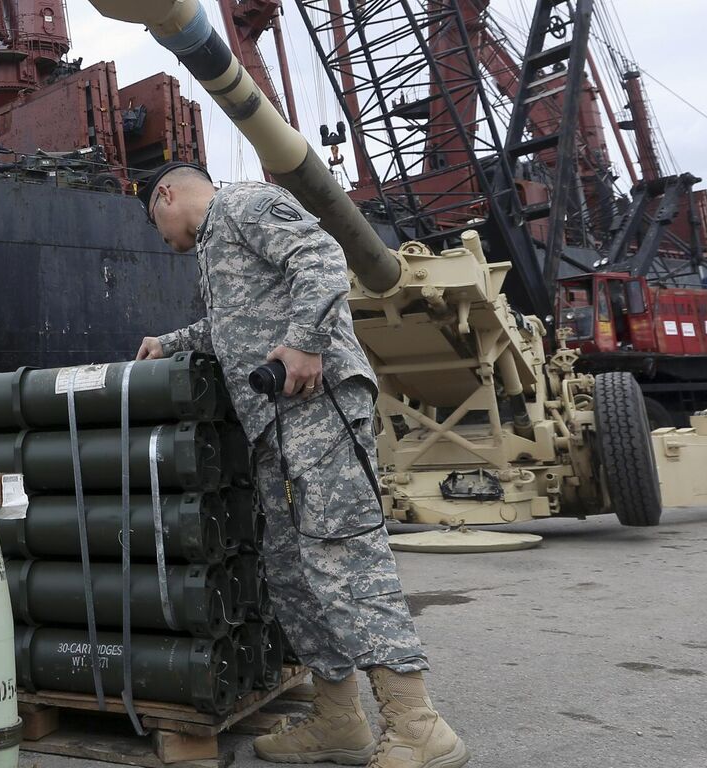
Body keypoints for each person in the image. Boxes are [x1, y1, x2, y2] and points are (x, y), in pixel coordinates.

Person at [133, 163, 471, 768]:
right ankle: (340, 719)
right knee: (290, 571)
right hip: (276, 426)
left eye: (155, 222)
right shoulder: (216, 246)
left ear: (165, 195)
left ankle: (417, 723)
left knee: (343, 554)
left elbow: (320, 257)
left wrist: (308, 343)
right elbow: (237, 330)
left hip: (318, 406)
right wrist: (173, 342)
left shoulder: (243, 205)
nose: (161, 237)